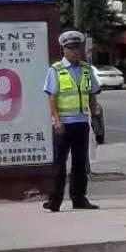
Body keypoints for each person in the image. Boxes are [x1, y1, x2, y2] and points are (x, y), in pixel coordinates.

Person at [42, 30, 101, 211]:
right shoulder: (56, 70)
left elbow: (91, 94)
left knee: (80, 163)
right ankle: (55, 201)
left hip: (82, 122)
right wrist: (56, 121)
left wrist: (94, 115)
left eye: (78, 48)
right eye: (71, 48)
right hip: (64, 124)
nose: (75, 52)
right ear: (64, 50)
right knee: (59, 164)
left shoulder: (86, 69)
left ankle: (79, 199)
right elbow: (52, 97)